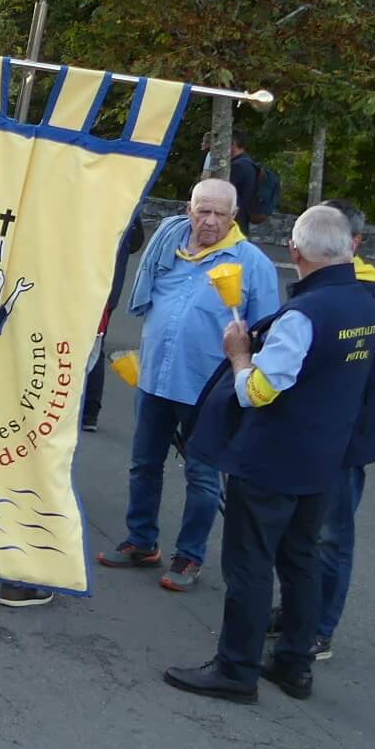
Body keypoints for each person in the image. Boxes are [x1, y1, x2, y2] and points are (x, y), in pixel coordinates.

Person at [165, 207, 375, 703]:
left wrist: (239, 355)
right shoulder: (369, 306)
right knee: (301, 560)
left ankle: (235, 670)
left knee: (249, 565)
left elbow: (260, 392)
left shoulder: (303, 315)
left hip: (271, 461)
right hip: (323, 458)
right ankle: (295, 664)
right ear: (349, 248)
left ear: (295, 252)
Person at [99, 180, 281, 592]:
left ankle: (190, 556)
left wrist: (248, 382)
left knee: (202, 476)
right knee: (143, 464)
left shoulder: (252, 264)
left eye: (220, 214)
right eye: (203, 212)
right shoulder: (168, 245)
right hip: (156, 377)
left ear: (234, 217)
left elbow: (268, 334)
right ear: (189, 209)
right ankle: (141, 541)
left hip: (209, 391)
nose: (210, 222)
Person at [300, 197, 375, 659]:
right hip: (309, 431)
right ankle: (296, 611)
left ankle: (320, 628)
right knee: (300, 531)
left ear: (354, 242)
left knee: (331, 533)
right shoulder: (320, 278)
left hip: (348, 435)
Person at [80, 213, 147, 430]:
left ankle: (88, 410)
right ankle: (88, 412)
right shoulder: (129, 203)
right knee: (94, 344)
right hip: (107, 290)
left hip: (96, 287)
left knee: (92, 345)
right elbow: (136, 242)